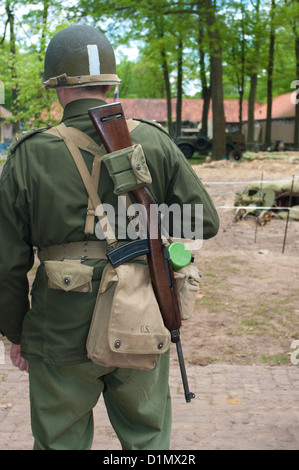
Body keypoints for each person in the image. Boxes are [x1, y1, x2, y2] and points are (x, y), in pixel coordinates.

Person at [0, 25, 219, 450]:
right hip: (139, 312)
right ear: (111, 82)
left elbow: (6, 264)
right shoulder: (153, 141)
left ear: (56, 86)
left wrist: (16, 334)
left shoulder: (29, 154)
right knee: (148, 442)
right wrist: (144, 226)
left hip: (59, 327)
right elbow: (203, 222)